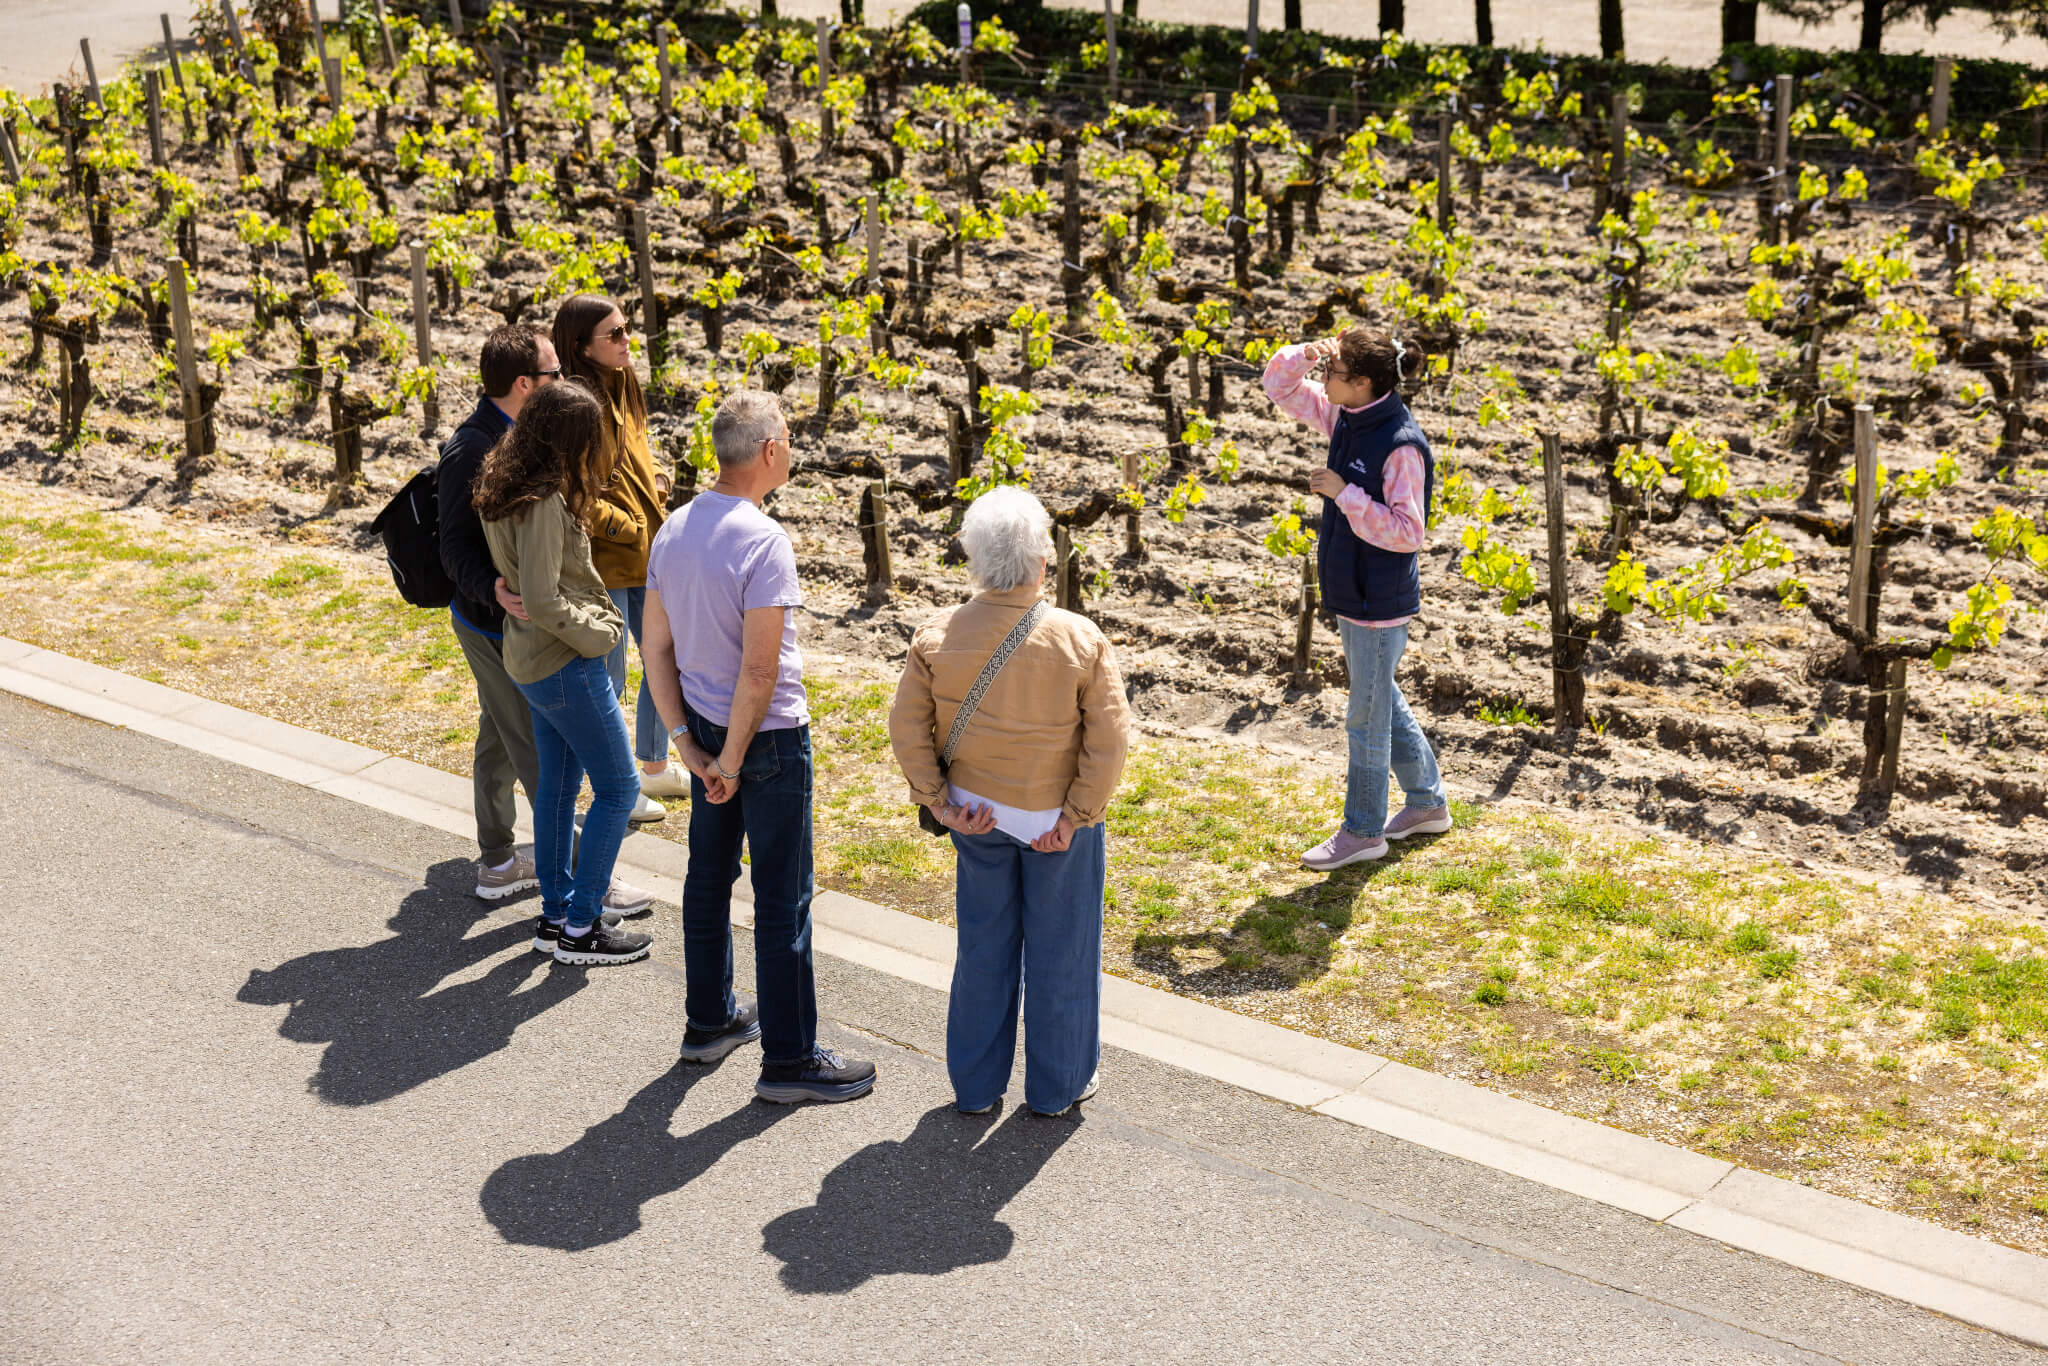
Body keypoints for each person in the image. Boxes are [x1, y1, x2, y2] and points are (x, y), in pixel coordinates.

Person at [640, 390, 876, 1103]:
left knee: (708, 880)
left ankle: (708, 1021)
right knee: (782, 898)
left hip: (707, 731)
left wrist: (687, 743)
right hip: (764, 742)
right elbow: (762, 670)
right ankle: (790, 1060)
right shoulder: (764, 541)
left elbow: (653, 645)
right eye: (791, 436)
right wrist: (735, 761)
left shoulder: (674, 528)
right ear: (770, 449)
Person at [888, 486, 1130, 1118]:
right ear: (1042, 561)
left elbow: (907, 728)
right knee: (1063, 953)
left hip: (975, 813)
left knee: (983, 949)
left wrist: (938, 802)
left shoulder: (937, 635)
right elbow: (1109, 740)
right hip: (1052, 821)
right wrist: (1077, 816)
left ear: (973, 559)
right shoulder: (1081, 639)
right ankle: (1057, 1088)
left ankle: (974, 1085)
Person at [436, 324, 652, 920]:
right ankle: (589, 892)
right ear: (527, 385)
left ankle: (503, 862)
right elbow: (452, 548)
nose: (565, 381)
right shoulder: (476, 448)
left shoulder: (520, 446)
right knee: (545, 760)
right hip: (500, 625)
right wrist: (499, 591)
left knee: (500, 740)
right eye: (556, 373)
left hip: (520, 627)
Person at [474, 380, 653, 967]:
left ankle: (555, 916)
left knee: (556, 790)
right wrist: (604, 633)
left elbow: (527, 590)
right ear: (567, 441)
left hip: (529, 660)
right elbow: (547, 599)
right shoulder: (546, 500)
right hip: (564, 661)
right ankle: (582, 927)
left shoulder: (507, 485)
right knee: (620, 787)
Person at [1262, 327, 1451, 871]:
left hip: (1379, 602)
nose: (1324, 379)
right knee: (1380, 698)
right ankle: (1427, 803)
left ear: (1363, 383)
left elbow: (1407, 533)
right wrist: (1307, 353)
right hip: (1355, 591)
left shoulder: (1400, 446)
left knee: (1365, 719)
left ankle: (1364, 831)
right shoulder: (1345, 415)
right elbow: (1279, 386)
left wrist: (1343, 492)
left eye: (1334, 372)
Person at [553, 294, 673, 825]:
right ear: (581, 347)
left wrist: (657, 483)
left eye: (628, 330)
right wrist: (624, 525)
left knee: (669, 656)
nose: (628, 342)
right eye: (615, 335)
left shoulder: (624, 382)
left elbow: (635, 454)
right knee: (610, 675)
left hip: (648, 548)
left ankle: (651, 763)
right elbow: (570, 487)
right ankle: (617, 786)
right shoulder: (574, 402)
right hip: (607, 556)